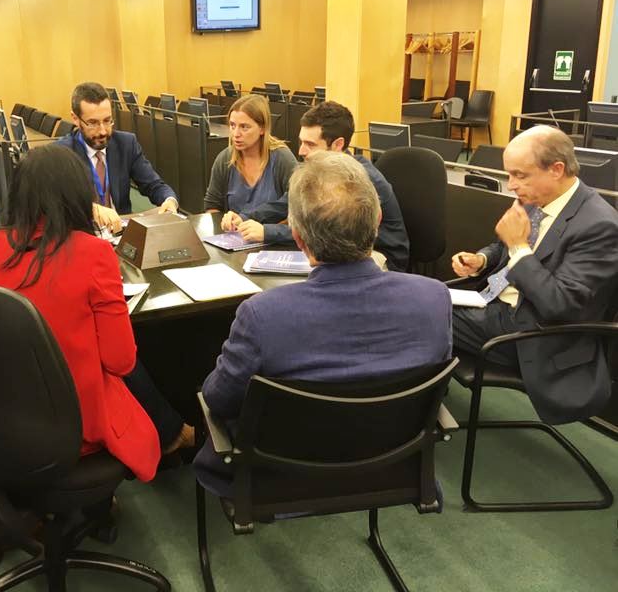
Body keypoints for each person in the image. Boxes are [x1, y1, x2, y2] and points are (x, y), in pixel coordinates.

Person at [194, 151, 452, 497]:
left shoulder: (262, 315)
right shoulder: (434, 300)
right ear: (377, 221)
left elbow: (218, 399)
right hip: (391, 466)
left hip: (277, 478)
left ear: (298, 238)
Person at [0, 144, 194, 482]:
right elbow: (121, 361)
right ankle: (174, 435)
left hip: (5, 412)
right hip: (76, 419)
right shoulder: (93, 254)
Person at [451, 124, 618, 424]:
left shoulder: (600, 226)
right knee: (420, 300)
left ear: (556, 169)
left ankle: (415, 412)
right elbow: (505, 248)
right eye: (510, 174)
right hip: (494, 305)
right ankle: (424, 403)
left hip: (534, 332)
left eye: (520, 175)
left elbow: (561, 304)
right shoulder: (539, 200)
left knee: (420, 312)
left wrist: (516, 246)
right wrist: (482, 259)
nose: (511, 185)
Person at [227, 100, 410, 271]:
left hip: (379, 255)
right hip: (341, 247)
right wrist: (245, 217)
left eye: (310, 144)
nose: (301, 151)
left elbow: (328, 231)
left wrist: (268, 232)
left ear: (338, 145)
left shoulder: (357, 179)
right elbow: (287, 203)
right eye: (301, 142)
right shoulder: (321, 169)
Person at [57, 82, 178, 233]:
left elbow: (154, 185)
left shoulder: (126, 144)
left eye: (107, 121)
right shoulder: (62, 153)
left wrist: (169, 200)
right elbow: (57, 203)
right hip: (83, 236)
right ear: (75, 119)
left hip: (121, 233)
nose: (102, 131)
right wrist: (91, 209)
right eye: (93, 123)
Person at [203, 94, 298, 243]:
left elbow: (295, 206)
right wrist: (226, 221)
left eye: (244, 127)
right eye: (232, 125)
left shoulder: (282, 158)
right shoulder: (225, 159)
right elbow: (212, 205)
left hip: (272, 243)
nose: (236, 134)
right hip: (235, 242)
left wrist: (266, 231)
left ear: (262, 128)